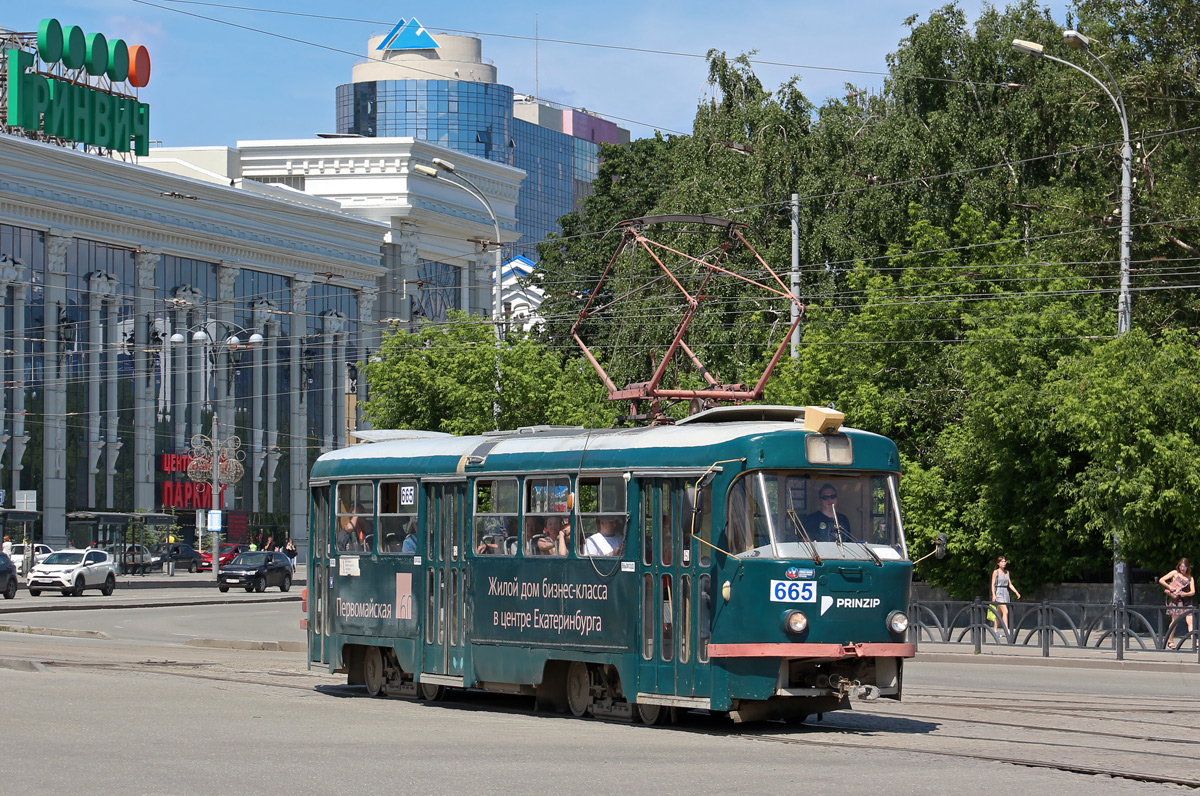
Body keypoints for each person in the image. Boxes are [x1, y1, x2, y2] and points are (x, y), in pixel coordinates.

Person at [1160, 558, 1195, 650]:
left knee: (1190, 621)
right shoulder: (1175, 573)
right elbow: (1161, 580)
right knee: (1175, 622)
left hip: (1187, 601)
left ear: (1188, 567)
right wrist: (1169, 587)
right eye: (1181, 566)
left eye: (1184, 567)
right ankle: (1170, 641)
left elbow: (1193, 591)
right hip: (1177, 601)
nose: (1182, 568)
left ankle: (1194, 641)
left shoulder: (1190, 578)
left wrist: (1185, 594)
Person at [990, 555, 1021, 631]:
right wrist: (994, 595)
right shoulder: (996, 572)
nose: (1004, 563)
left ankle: (995, 630)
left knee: (999, 613)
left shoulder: (1007, 572)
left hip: (1005, 592)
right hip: (999, 593)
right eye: (1002, 562)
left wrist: (1016, 592)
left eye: (1004, 561)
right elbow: (993, 584)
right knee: (1005, 611)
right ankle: (1006, 629)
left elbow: (1009, 584)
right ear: (998, 563)